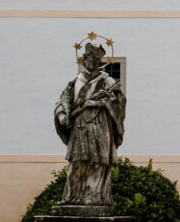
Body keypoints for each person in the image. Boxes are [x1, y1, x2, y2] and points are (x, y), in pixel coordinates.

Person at [54, 41, 126, 207]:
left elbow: (119, 103)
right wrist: (62, 115)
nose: (94, 62)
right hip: (79, 128)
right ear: (84, 59)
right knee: (76, 162)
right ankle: (71, 197)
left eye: (97, 60)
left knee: (97, 163)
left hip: (100, 126)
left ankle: (93, 197)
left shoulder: (107, 82)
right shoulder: (74, 82)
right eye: (91, 58)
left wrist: (99, 104)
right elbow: (62, 101)